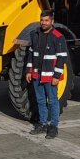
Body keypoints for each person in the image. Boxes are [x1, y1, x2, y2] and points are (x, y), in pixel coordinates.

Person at [25, 9, 68, 139]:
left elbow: (62, 58)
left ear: (52, 21)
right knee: (40, 100)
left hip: (50, 76)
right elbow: (31, 54)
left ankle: (53, 126)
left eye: (46, 21)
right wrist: (29, 71)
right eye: (42, 20)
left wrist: (56, 76)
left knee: (53, 101)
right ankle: (42, 124)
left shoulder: (58, 37)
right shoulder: (35, 34)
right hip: (37, 75)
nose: (43, 23)